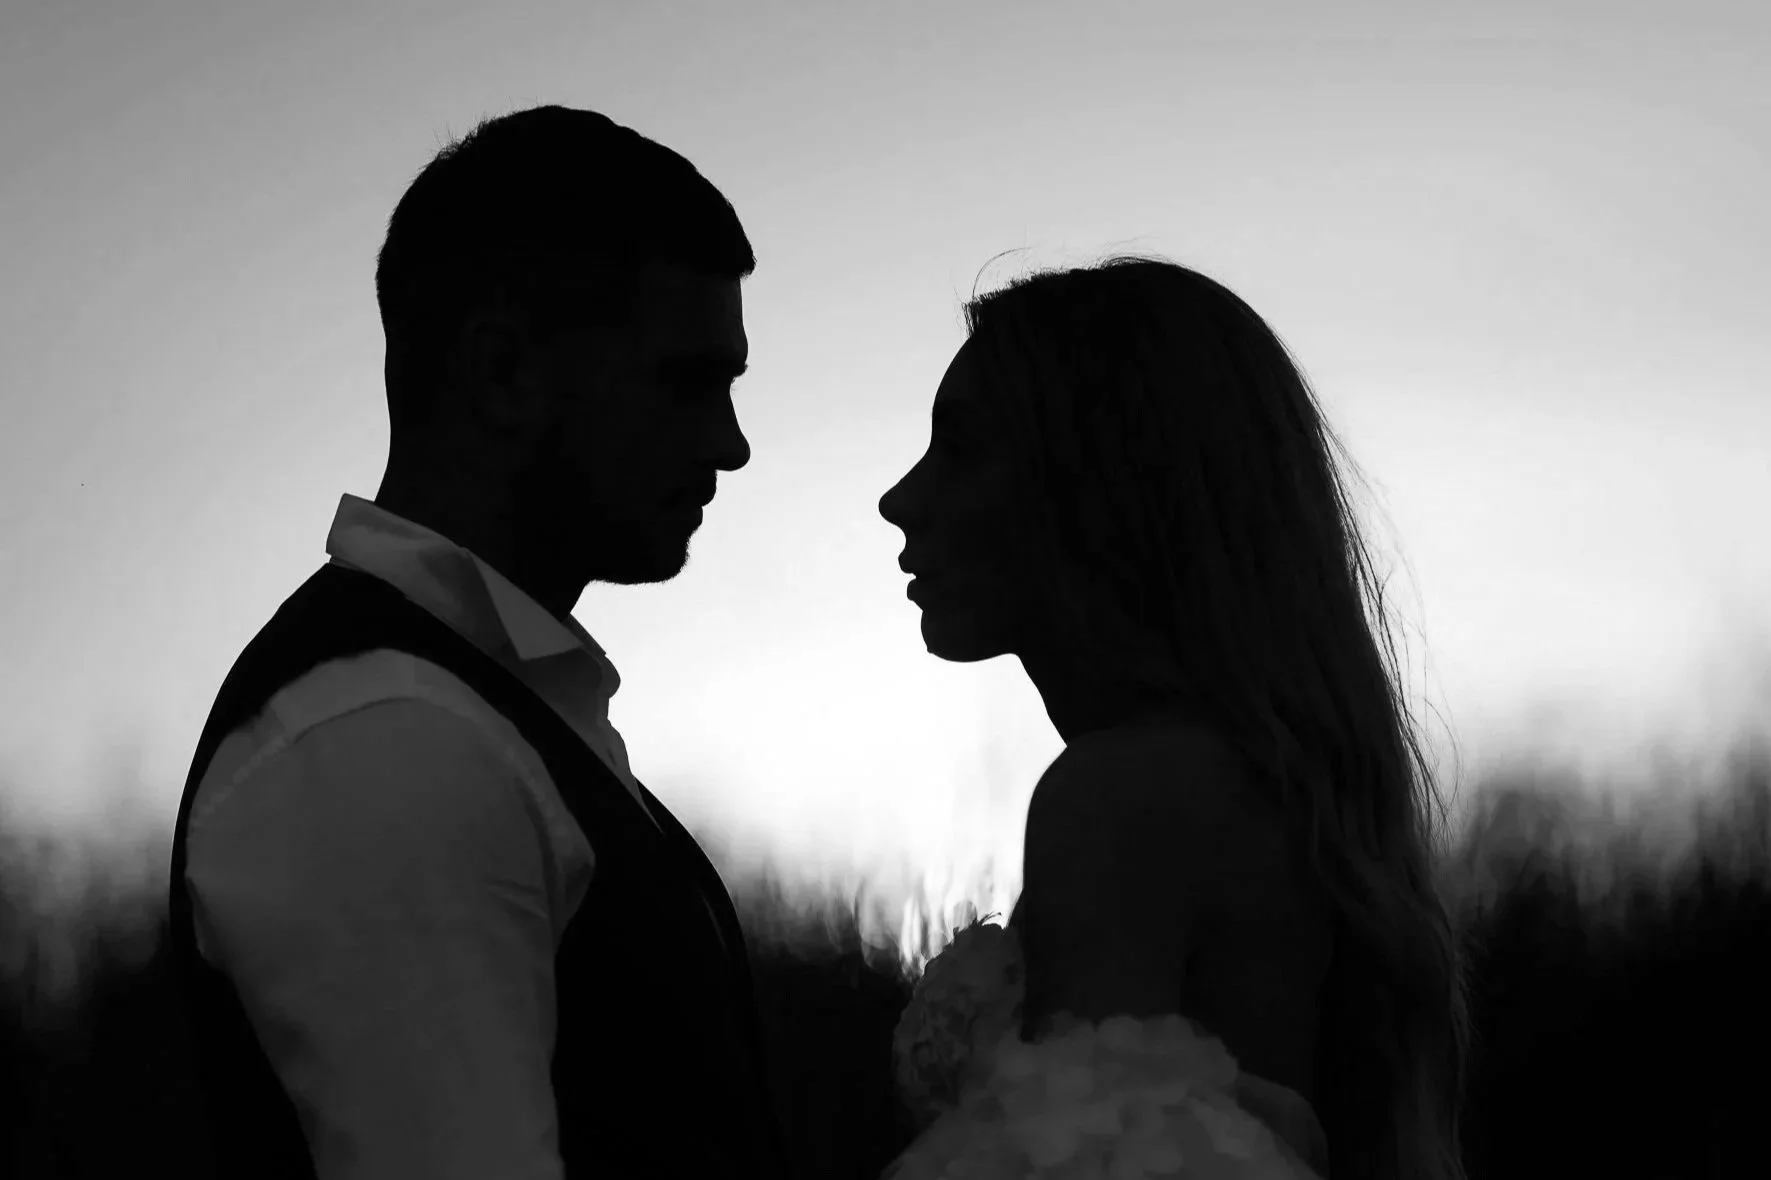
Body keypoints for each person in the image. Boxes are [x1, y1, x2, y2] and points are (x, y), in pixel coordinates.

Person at [165, 106, 783, 1179]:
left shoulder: (480, 705)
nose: (729, 444)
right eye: (685, 380)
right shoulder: (386, 736)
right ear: (501, 372)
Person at [876, 257, 1474, 1180]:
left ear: (1101, 482)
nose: (900, 499)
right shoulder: (1258, 789)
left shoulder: (1120, 797)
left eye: (960, 447)